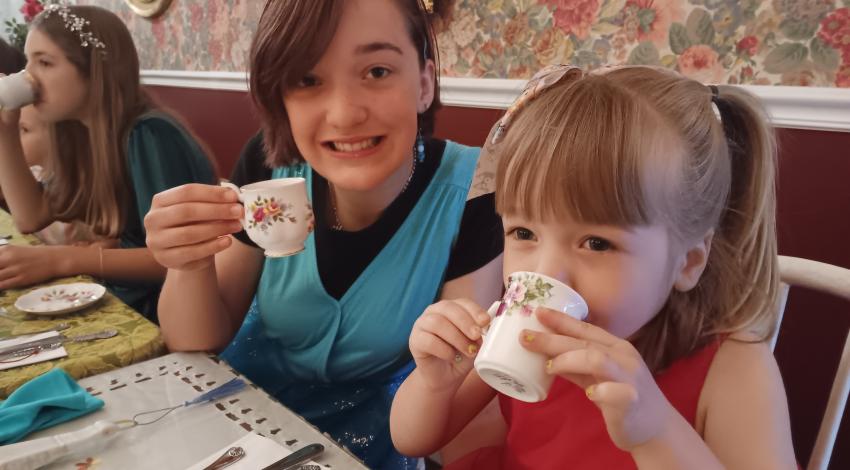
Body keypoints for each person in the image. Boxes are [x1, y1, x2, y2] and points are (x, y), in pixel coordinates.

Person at [142, 0, 503, 468]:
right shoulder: (271, 167)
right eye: (307, 80)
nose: (344, 114)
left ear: (424, 83)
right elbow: (196, 340)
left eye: (376, 71)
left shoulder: (474, 189)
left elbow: (462, 377)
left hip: (374, 436)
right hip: (241, 419)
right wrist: (188, 262)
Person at [390, 65, 798, 469]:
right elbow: (414, 440)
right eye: (524, 233)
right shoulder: (517, 330)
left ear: (687, 261)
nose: (547, 272)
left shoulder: (735, 369)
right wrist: (434, 383)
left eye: (597, 243)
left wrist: (656, 431)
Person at [0, 5, 216, 321]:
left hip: (167, 313)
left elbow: (180, 258)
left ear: (96, 70)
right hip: (120, 299)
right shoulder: (81, 136)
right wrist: (5, 134)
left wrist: (64, 260)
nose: (28, 77)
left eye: (45, 62)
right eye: (28, 62)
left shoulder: (150, 135)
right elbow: (30, 217)